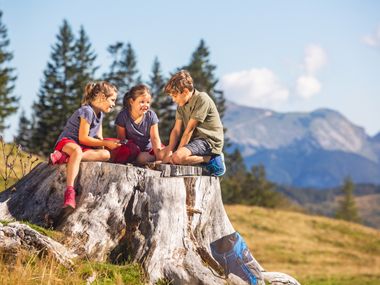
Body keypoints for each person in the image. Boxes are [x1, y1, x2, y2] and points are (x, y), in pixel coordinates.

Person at [49, 81, 121, 209]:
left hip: (82, 148)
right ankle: (70, 192)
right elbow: (83, 138)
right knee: (76, 151)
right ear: (101, 96)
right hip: (68, 142)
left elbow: (99, 137)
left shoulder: (100, 115)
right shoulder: (87, 111)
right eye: (112, 100)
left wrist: (107, 145)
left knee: (106, 154)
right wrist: (105, 142)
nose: (114, 104)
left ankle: (64, 158)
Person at [161, 70, 226, 176]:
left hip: (209, 141)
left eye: (175, 95)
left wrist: (176, 156)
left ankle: (212, 158)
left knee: (178, 157)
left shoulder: (202, 99)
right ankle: (187, 159)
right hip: (196, 141)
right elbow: (176, 131)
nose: (173, 100)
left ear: (185, 91)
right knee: (163, 154)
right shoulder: (181, 105)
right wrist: (169, 151)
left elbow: (188, 131)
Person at [115, 84, 164, 165]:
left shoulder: (151, 116)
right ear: (131, 101)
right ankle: (153, 160)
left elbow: (155, 139)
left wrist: (158, 156)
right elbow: (122, 139)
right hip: (134, 152)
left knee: (167, 152)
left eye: (148, 102)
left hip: (150, 150)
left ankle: (158, 160)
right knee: (142, 158)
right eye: (142, 102)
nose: (146, 105)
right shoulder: (123, 116)